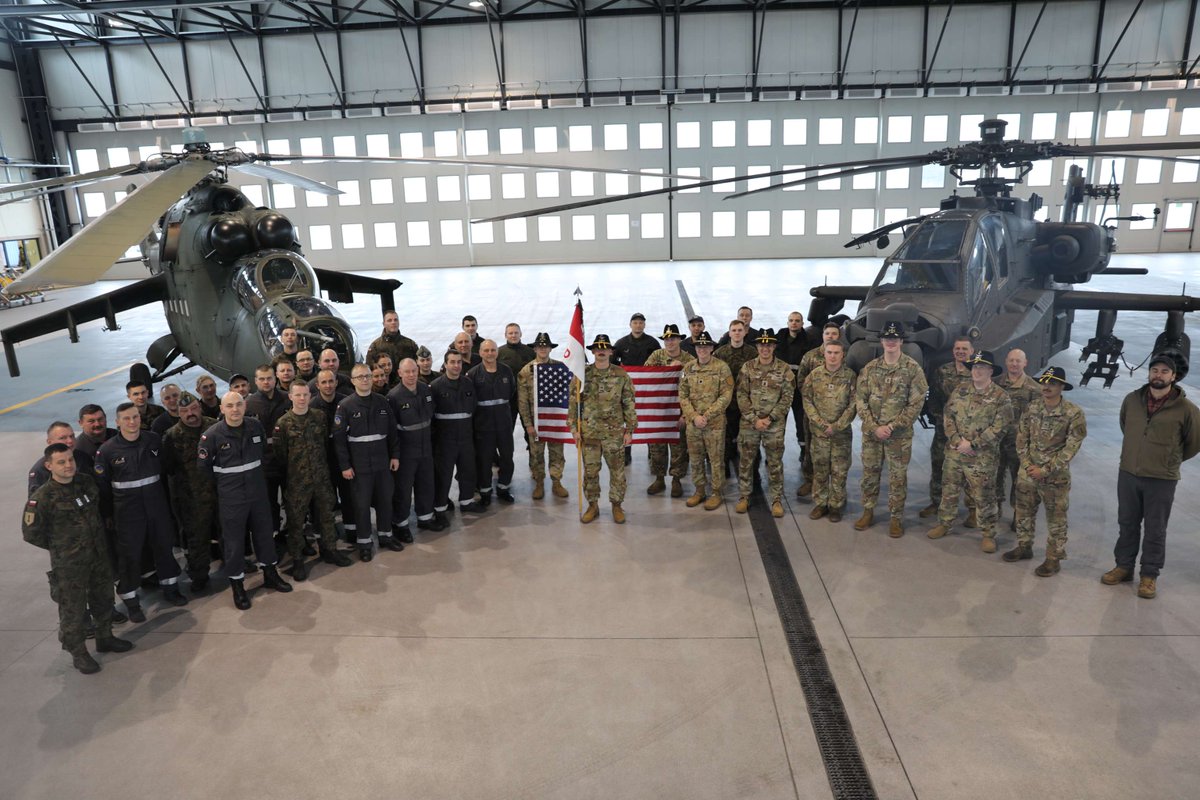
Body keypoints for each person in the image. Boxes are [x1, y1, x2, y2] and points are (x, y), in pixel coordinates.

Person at [23, 443, 133, 674]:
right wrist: (63, 548)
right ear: (49, 465)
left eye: (70, 460)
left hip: (98, 556)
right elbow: (31, 534)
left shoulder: (85, 482)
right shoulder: (42, 498)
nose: (68, 465)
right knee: (72, 610)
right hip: (69, 566)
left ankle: (105, 637)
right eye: (61, 462)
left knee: (103, 598)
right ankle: (79, 652)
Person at [1102, 351, 1200, 599]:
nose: (1158, 375)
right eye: (1155, 370)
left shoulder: (1187, 409)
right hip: (1129, 473)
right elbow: (1127, 427)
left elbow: (1193, 443)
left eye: (1164, 371)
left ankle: (1149, 575)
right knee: (1127, 523)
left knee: (1156, 528)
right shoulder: (1132, 400)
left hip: (1161, 478)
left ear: (1173, 376)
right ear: (1149, 373)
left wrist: (1169, 460)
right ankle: (1124, 567)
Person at [198, 392, 294, 609]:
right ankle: (238, 585)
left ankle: (270, 573)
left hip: (257, 493)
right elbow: (204, 471)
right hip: (232, 498)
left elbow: (261, 454)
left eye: (239, 404)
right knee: (234, 542)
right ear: (222, 409)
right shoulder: (212, 436)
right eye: (229, 405)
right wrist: (225, 490)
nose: (235, 409)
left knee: (264, 534)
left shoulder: (255, 427)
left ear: (245, 406)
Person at [94, 402, 186, 621]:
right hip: (127, 512)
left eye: (135, 417)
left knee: (164, 545)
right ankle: (131, 600)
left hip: (156, 505)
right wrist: (109, 514)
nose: (132, 422)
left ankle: (170, 587)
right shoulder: (107, 451)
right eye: (126, 418)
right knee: (130, 554)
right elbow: (103, 487)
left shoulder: (153, 440)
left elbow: (165, 471)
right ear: (117, 422)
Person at [1004, 367, 1087, 576]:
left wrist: (1046, 469)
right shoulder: (1032, 408)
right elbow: (1021, 437)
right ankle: (1024, 547)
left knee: (1056, 519)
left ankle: (1053, 558)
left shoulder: (1073, 413)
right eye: (1044, 382)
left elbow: (1071, 447)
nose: (1047, 386)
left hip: (1055, 477)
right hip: (1029, 472)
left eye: (1052, 383)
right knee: (1023, 512)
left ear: (1061, 387)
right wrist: (1026, 464)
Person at [927, 351, 1013, 553]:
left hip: (982, 458)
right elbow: (949, 416)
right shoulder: (960, 390)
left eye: (982, 367)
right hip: (955, 452)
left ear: (991, 371)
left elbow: (1000, 427)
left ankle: (988, 534)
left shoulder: (1001, 397)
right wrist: (957, 440)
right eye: (974, 367)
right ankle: (945, 523)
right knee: (949, 490)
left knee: (984, 496)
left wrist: (973, 444)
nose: (977, 371)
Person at [853, 321, 928, 537]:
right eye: (887, 338)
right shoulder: (870, 369)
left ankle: (896, 517)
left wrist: (892, 426)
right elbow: (860, 400)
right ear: (882, 341)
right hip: (872, 434)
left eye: (895, 339)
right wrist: (874, 427)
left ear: (901, 341)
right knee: (870, 473)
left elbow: (916, 404)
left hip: (899, 437)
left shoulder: (913, 369)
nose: (891, 342)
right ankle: (868, 510)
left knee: (897, 477)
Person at [273, 382, 353, 580]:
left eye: (305, 395)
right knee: (296, 523)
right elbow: (280, 455)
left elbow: (326, 444)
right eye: (298, 395)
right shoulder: (282, 424)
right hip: (297, 483)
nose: (302, 398)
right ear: (290, 397)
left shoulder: (319, 417)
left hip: (321, 478)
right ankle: (298, 560)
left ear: (310, 396)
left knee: (326, 516)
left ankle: (330, 549)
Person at [333, 363, 402, 560]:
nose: (365, 379)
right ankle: (364, 543)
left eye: (367, 376)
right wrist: (345, 466)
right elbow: (339, 440)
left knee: (385, 501)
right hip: (359, 465)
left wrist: (395, 455)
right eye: (360, 377)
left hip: (382, 462)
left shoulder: (382, 402)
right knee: (361, 505)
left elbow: (392, 432)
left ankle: (386, 536)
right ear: (353, 381)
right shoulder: (345, 406)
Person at [570, 335, 637, 523]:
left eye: (604, 348)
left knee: (617, 471)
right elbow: (573, 403)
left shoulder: (621, 375)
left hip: (613, 434)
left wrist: (629, 430)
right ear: (592, 351)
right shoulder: (582, 375)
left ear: (610, 351)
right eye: (597, 348)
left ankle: (617, 505)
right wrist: (574, 428)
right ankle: (593, 505)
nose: (601, 351)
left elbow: (629, 403)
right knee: (590, 472)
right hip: (589, 433)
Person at [735, 329, 796, 518]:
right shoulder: (747, 368)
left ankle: (776, 499)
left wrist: (769, 419)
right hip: (749, 424)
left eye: (769, 345)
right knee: (746, 461)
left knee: (775, 462)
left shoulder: (784, 369)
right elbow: (741, 394)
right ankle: (745, 496)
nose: (765, 348)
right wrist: (754, 419)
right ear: (757, 346)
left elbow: (787, 397)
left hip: (774, 425)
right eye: (762, 345)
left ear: (774, 346)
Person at [161, 393, 218, 591]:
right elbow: (168, 469)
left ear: (200, 407)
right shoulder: (171, 436)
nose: (190, 414)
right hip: (191, 500)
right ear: (178, 413)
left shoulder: (214, 427)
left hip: (218, 491)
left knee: (228, 532)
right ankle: (199, 575)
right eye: (184, 411)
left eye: (193, 408)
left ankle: (235, 564)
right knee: (197, 540)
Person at [802, 339, 857, 522]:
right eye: (829, 352)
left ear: (843, 355)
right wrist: (820, 423)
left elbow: (853, 404)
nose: (832, 356)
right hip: (819, 434)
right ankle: (821, 503)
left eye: (836, 353)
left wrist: (837, 425)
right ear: (824, 353)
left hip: (841, 434)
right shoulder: (814, 376)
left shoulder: (850, 377)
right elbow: (807, 401)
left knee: (840, 470)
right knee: (820, 469)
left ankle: (836, 505)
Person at [389, 358, 444, 539]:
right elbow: (392, 430)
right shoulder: (394, 397)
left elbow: (432, 418)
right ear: (399, 373)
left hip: (425, 449)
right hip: (406, 452)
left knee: (426, 485)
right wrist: (395, 455)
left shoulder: (425, 390)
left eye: (414, 371)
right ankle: (401, 524)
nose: (411, 375)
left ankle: (425, 518)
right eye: (407, 372)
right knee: (403, 490)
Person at [678, 331, 734, 510]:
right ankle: (699, 490)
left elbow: (726, 395)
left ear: (711, 348)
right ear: (695, 348)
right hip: (693, 424)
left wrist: (706, 416)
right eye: (699, 347)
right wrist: (694, 417)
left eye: (706, 346)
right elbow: (683, 395)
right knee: (695, 458)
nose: (702, 350)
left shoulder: (722, 368)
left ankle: (716, 492)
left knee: (716, 459)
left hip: (714, 424)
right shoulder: (688, 368)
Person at [922, 336, 975, 518]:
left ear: (972, 352)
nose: (960, 352)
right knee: (939, 466)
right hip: (943, 431)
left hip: (968, 434)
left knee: (969, 471)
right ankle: (936, 503)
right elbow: (934, 398)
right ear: (953, 351)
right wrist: (940, 420)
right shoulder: (942, 371)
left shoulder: (976, 373)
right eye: (958, 348)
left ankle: (973, 510)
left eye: (964, 349)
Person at [431, 350, 484, 524]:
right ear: (445, 364)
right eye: (452, 362)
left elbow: (473, 408)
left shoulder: (468, 383)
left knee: (467, 470)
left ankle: (466, 501)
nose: (456, 366)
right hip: (445, 440)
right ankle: (440, 508)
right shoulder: (436, 387)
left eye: (459, 362)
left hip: (465, 437)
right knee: (444, 475)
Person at [517, 333, 571, 500]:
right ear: (535, 348)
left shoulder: (560, 368)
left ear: (550, 348)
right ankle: (539, 483)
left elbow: (568, 394)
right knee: (536, 455)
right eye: (539, 346)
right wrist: (528, 425)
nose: (542, 349)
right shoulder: (527, 371)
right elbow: (523, 401)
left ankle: (556, 482)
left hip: (555, 420)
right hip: (536, 421)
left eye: (545, 346)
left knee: (557, 453)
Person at [644, 324, 694, 498]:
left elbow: (694, 390)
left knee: (679, 449)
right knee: (657, 448)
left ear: (680, 339)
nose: (670, 342)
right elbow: (647, 380)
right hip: (659, 411)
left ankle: (676, 480)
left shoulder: (689, 360)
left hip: (679, 411)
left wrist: (685, 414)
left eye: (673, 338)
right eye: (666, 339)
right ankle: (659, 478)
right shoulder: (656, 356)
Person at [794, 321, 842, 496]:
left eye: (834, 334)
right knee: (811, 447)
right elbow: (801, 382)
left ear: (839, 336)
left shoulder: (843, 357)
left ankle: (832, 485)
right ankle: (810, 480)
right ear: (822, 335)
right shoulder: (811, 356)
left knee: (836, 452)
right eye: (827, 333)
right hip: (813, 413)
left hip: (836, 415)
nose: (830, 336)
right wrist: (813, 407)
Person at [468, 339, 517, 505]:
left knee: (507, 457)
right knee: (484, 460)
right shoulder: (474, 374)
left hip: (503, 424)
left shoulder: (506, 371)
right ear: (480, 352)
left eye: (493, 350)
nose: (490, 354)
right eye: (486, 350)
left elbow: (511, 393)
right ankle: (486, 492)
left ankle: (503, 488)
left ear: (497, 352)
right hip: (483, 426)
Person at [245, 363, 290, 541]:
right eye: (262, 379)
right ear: (256, 381)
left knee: (293, 501)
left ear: (275, 378)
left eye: (269, 378)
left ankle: (297, 536)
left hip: (287, 461)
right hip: (264, 464)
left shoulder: (287, 399)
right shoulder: (249, 404)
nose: (266, 382)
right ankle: (275, 537)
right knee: (269, 504)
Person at [995, 349, 1039, 528]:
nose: (1014, 364)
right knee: (995, 475)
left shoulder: (1033, 388)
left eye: (1018, 361)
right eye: (1011, 360)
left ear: (1025, 363)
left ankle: (1017, 512)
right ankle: (995, 507)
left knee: (1018, 480)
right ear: (1006, 362)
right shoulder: (996, 384)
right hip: (997, 441)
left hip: (1018, 445)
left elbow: (1036, 419)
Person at [714, 319, 758, 485]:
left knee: (748, 439)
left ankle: (750, 471)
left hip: (746, 403)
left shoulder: (752, 353)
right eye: (734, 330)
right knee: (724, 437)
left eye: (740, 330)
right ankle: (724, 467)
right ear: (729, 333)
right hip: (726, 403)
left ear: (745, 332)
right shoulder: (720, 353)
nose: (737, 333)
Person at [28, 421, 78, 495]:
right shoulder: (40, 470)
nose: (70, 441)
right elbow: (37, 501)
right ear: (49, 442)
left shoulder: (83, 457)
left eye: (72, 436)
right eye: (63, 438)